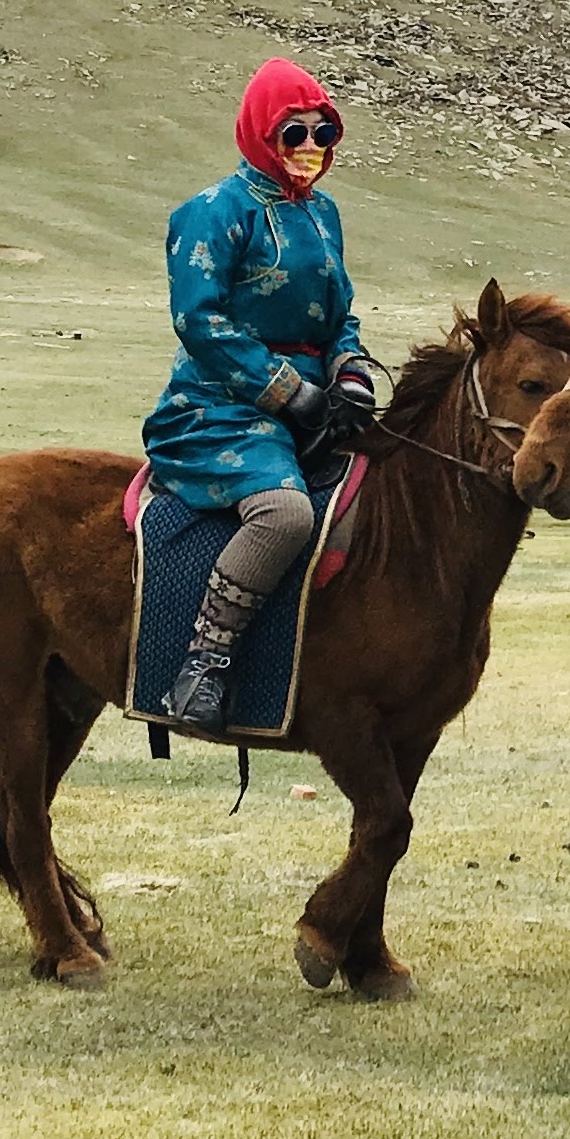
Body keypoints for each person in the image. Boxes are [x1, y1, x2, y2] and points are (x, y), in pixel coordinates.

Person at [146, 57, 377, 736]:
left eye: (322, 133)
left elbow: (341, 316)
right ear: (260, 133)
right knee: (284, 515)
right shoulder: (213, 213)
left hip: (309, 403)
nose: (309, 148)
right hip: (219, 408)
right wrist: (289, 393)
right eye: (293, 133)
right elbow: (199, 320)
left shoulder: (324, 213)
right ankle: (202, 669)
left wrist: (350, 375)